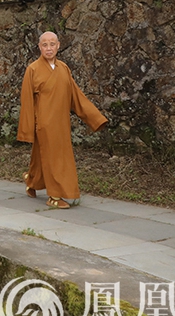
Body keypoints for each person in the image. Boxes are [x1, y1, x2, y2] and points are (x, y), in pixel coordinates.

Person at [17, 31, 108, 209]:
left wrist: (95, 118)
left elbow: (76, 96)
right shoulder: (33, 69)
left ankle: (31, 179)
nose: (49, 48)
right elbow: (26, 101)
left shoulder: (63, 68)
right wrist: (28, 128)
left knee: (45, 156)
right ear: (39, 47)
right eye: (45, 45)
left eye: (52, 44)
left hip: (61, 122)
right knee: (54, 158)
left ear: (58, 45)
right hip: (43, 123)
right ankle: (54, 196)